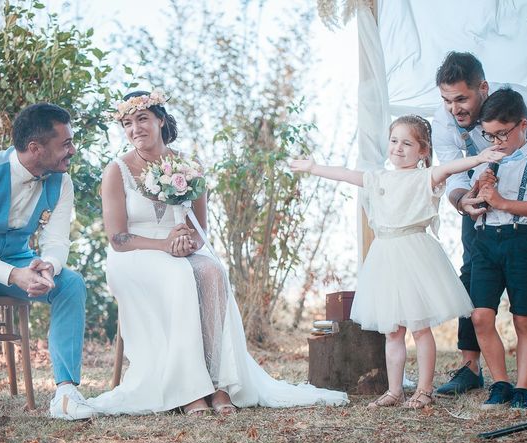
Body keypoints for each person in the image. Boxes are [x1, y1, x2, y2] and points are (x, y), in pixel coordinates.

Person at [87, 90, 348, 416]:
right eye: (127, 123)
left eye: (142, 119)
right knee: (180, 275)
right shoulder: (117, 170)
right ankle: (189, 391)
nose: (135, 128)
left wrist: (187, 244)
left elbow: (200, 230)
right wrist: (164, 245)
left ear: (160, 120)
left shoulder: (189, 166)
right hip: (135, 255)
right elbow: (118, 238)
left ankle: (220, 383)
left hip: (181, 248)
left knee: (212, 271)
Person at [291, 115, 503, 408]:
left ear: (423, 151)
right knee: (393, 331)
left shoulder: (425, 177)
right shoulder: (378, 177)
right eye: (394, 141)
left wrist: (479, 157)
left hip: (415, 254)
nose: (398, 148)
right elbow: (345, 174)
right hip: (385, 256)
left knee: (419, 327)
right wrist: (313, 168)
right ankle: (394, 390)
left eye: (407, 143)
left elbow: (451, 167)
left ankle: (425, 390)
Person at [432, 52, 527, 397]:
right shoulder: (444, 122)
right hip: (478, 207)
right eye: (446, 100)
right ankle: (470, 366)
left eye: (461, 98)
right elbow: (452, 174)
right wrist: (464, 202)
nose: (454, 108)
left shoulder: (524, 106)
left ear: (483, 88)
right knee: (471, 274)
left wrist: (513, 199)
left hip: (525, 210)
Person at [0, 103, 93, 420]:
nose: (72, 150)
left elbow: (58, 239)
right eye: (65, 144)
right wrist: (12, 275)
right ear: (35, 148)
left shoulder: (61, 182)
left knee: (70, 284)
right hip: (5, 267)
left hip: (21, 259)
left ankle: (65, 394)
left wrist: (48, 265)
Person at [470, 87, 527, 409]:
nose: (496, 142)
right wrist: (477, 193)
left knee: (524, 319)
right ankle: (501, 383)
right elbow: (476, 201)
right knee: (480, 315)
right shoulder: (490, 161)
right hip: (486, 242)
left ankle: (523, 387)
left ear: (523, 125)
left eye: (502, 134)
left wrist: (503, 202)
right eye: (489, 135)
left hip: (521, 242)